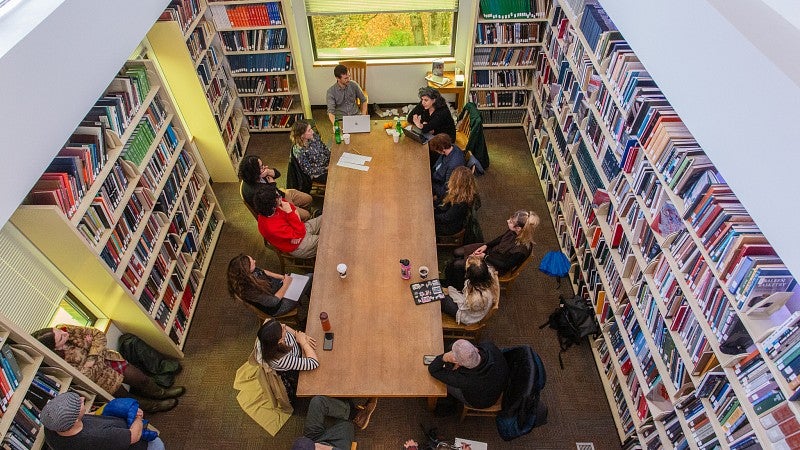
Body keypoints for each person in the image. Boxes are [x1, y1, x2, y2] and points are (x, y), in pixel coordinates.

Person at [32, 326, 183, 413]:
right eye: (60, 337)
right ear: (55, 347)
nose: (65, 333)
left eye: (59, 331)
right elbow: (86, 375)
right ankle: (155, 406)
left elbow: (99, 335)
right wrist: (93, 349)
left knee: (141, 378)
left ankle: (161, 393)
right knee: (128, 399)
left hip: (111, 361)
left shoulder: (65, 329)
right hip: (101, 381)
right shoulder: (57, 361)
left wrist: (90, 359)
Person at [445, 210, 540, 290]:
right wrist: (486, 246)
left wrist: (485, 257)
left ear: (518, 228)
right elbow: (501, 238)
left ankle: (458, 287)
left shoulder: (520, 251)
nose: (507, 221)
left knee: (456, 265)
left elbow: (505, 265)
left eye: (511, 222)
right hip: (492, 252)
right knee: (456, 252)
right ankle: (459, 275)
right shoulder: (515, 231)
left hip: (497, 266)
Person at [40, 391, 165, 450]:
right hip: (141, 446)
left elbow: (86, 416)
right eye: (80, 404)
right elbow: (134, 436)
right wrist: (138, 417)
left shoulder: (52, 427)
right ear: (74, 421)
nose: (83, 398)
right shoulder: (98, 436)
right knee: (158, 445)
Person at [427, 339, 509, 409]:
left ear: (459, 363)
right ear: (476, 349)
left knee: (442, 382)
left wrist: (444, 357)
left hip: (482, 401)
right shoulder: (489, 346)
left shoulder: (464, 380)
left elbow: (433, 370)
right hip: (497, 382)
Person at [255, 318, 318, 401]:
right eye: (283, 329)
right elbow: (314, 363)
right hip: (294, 365)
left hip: (298, 349)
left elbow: (268, 320)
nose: (284, 325)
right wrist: (303, 341)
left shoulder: (270, 334)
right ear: (280, 341)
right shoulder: (280, 359)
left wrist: (296, 334)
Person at [254, 184, 322, 259]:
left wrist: (297, 233)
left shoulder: (276, 204)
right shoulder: (271, 227)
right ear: (273, 206)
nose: (281, 197)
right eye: (278, 197)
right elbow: (300, 230)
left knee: (324, 219)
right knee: (327, 241)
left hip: (299, 230)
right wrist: (289, 213)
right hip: (298, 246)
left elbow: (294, 210)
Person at [238, 155, 313, 221]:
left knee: (308, 199)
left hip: (280, 194)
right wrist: (272, 184)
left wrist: (269, 172)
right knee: (306, 215)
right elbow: (272, 198)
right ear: (254, 172)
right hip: (276, 205)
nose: (264, 167)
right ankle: (301, 223)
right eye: (261, 167)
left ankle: (300, 218)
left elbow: (277, 174)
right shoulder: (256, 191)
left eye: (262, 164)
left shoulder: (259, 174)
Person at [290, 395, 378, 450]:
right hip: (335, 445)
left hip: (312, 440)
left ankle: (349, 409)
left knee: (317, 402)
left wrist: (312, 445)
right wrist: (323, 447)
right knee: (347, 425)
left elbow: (301, 443)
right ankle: (355, 414)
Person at [226, 253, 298, 317]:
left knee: (305, 280)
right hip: (277, 305)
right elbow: (273, 302)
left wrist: (282, 277)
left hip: (276, 288)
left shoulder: (249, 273)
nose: (255, 261)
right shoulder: (250, 291)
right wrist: (286, 285)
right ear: (246, 271)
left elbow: (263, 271)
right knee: (308, 279)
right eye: (252, 262)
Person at [440, 254, 499, 325]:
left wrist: (450, 291)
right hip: (469, 299)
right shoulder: (487, 272)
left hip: (467, 313)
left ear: (470, 276)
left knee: (441, 298)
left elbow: (463, 304)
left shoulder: (477, 298)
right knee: (457, 266)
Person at [434, 166, 477, 236]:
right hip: (449, 218)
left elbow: (446, 218)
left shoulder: (461, 202)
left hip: (450, 227)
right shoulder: (461, 193)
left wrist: (433, 216)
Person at [291, 119, 331, 184]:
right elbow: (309, 171)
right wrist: (326, 168)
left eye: (311, 129)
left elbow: (323, 147)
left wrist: (331, 157)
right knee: (338, 179)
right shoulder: (299, 151)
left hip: (327, 163)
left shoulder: (313, 136)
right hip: (319, 173)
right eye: (309, 131)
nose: (312, 132)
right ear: (302, 135)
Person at [429, 133, 466, 201]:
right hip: (436, 177)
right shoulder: (452, 147)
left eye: (437, 150)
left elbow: (447, 187)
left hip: (438, 186)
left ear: (442, 149)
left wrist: (436, 196)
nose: (437, 152)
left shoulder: (453, 165)